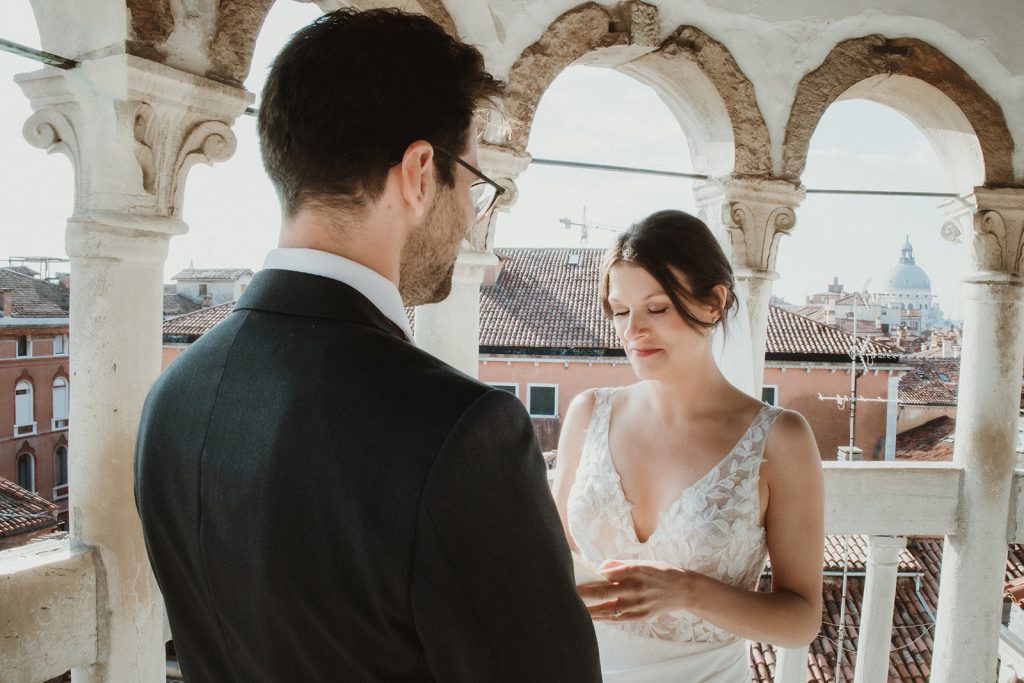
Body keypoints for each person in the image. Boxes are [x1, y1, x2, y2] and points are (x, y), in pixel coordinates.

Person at [135, 9, 600, 682]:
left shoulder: (172, 396)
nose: (471, 214)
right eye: (473, 182)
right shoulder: (461, 433)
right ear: (418, 170)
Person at [551, 210, 824, 681]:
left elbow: (801, 621)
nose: (632, 330)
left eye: (657, 308)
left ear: (713, 303)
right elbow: (553, 556)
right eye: (620, 311)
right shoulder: (587, 413)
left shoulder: (780, 439)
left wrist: (687, 591)